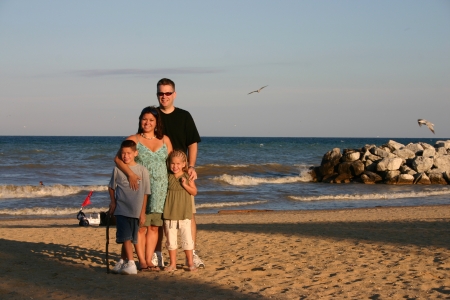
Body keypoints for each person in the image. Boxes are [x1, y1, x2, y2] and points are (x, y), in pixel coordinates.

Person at [114, 106, 172, 271]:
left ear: (156, 122)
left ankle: (149, 260)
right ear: (140, 120)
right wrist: (131, 175)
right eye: (144, 119)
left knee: (154, 227)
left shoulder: (165, 140)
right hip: (140, 189)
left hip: (161, 189)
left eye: (151, 120)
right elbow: (118, 159)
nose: (147, 123)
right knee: (141, 226)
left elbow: (172, 163)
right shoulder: (134, 139)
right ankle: (142, 262)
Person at [155, 78, 204, 268]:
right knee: (162, 216)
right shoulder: (153, 115)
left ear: (174, 94)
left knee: (189, 216)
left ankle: (191, 254)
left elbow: (192, 143)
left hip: (182, 171)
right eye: (161, 93)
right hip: (160, 173)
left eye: (168, 93)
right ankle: (157, 254)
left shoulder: (184, 116)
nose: (164, 97)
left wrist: (191, 166)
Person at [108, 140, 150, 275]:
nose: (125, 156)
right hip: (121, 208)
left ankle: (122, 261)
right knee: (125, 236)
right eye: (123, 153)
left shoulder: (143, 171)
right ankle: (131, 263)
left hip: (136, 210)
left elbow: (145, 192)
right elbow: (111, 187)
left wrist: (142, 212)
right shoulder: (117, 169)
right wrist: (113, 203)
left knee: (131, 237)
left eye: (128, 153)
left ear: (135, 153)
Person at [163, 150, 198, 272]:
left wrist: (185, 185)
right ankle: (172, 263)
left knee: (187, 239)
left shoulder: (187, 176)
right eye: (172, 163)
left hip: (184, 212)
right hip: (170, 212)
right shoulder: (168, 176)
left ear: (184, 164)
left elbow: (194, 192)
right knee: (171, 240)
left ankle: (190, 262)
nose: (175, 166)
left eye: (178, 163)